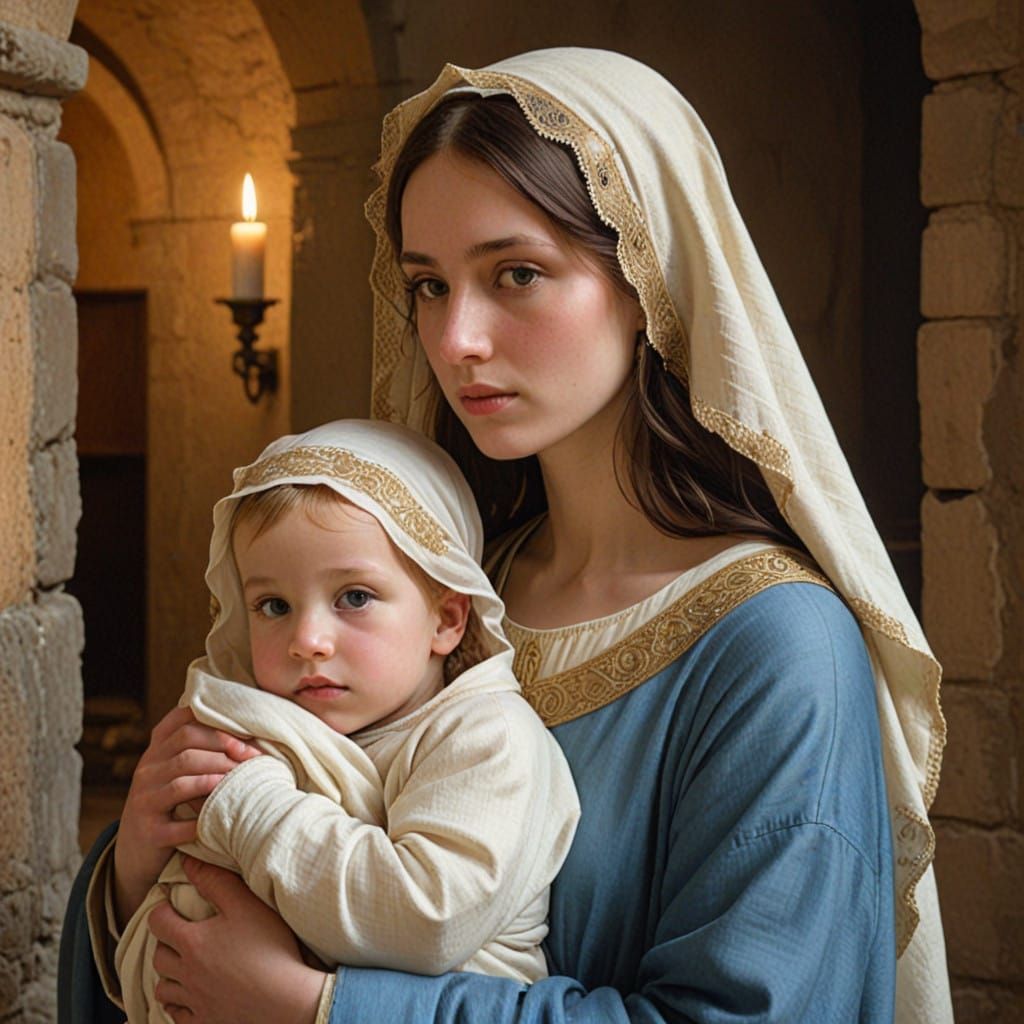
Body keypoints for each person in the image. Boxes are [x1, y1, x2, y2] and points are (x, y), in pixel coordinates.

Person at [60, 48, 953, 1024]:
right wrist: (132, 867)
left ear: (647, 275)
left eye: (515, 273)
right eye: (429, 285)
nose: (453, 341)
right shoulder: (423, 587)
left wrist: (322, 1007)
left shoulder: (776, 646)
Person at [101, 419, 579, 1022]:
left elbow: (425, 918)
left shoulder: (486, 736)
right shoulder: (259, 728)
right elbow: (171, 895)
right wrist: (136, 861)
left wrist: (247, 805)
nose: (306, 640)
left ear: (447, 618)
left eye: (354, 597)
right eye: (273, 605)